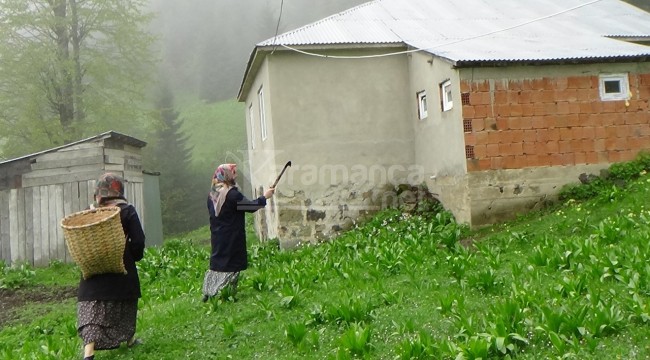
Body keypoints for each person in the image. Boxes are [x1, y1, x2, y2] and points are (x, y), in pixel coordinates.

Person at [77, 173, 146, 360]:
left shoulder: (88, 212)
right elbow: (138, 241)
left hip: (93, 273)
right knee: (124, 304)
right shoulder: (126, 210)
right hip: (121, 271)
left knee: (92, 311)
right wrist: (133, 256)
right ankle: (129, 339)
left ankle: (88, 352)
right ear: (118, 190)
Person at [202, 163, 274, 302]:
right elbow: (250, 206)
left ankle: (209, 292)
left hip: (217, 235)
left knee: (218, 264)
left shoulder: (213, 193)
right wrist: (265, 197)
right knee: (231, 265)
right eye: (233, 173)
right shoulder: (231, 194)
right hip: (232, 235)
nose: (236, 175)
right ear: (227, 175)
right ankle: (225, 293)